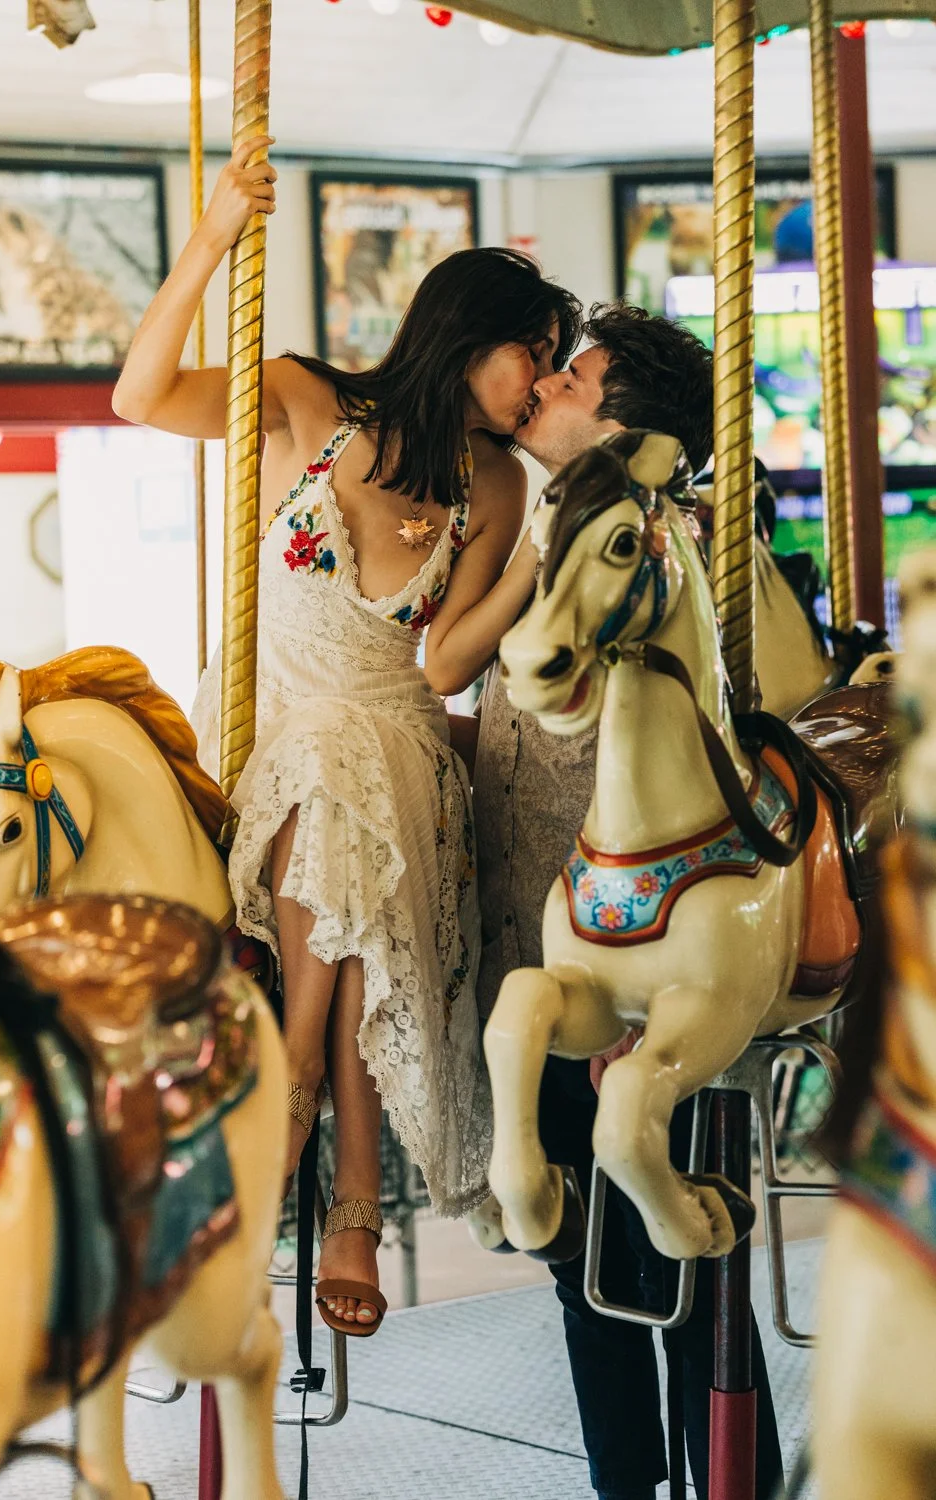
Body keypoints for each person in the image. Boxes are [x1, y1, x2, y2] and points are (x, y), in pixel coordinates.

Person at [113, 138, 583, 1336]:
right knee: (329, 769)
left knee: (357, 776)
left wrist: (538, 551)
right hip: (276, 733)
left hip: (395, 748)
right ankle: (353, 1199)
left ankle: (302, 1087)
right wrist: (212, 238)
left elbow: (443, 663)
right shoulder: (302, 400)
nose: (538, 386)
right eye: (532, 356)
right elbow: (140, 396)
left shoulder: (497, 487)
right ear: (469, 332)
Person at [468, 303, 785, 1499]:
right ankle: (630, 1483)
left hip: (682, 931)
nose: (544, 384)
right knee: (573, 1246)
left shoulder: (672, 541)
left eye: (573, 376)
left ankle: (717, 1474)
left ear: (628, 420)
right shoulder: (548, 536)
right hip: (555, 939)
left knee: (688, 1250)